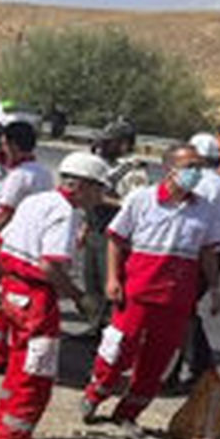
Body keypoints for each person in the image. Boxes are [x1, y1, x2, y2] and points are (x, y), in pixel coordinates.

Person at [81, 144, 220, 438]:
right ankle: (96, 395)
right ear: (170, 169)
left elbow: (208, 253)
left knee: (157, 362)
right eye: (191, 167)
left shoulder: (205, 209)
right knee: (118, 349)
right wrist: (112, 279)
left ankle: (128, 414)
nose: (197, 173)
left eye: (200, 167)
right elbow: (116, 240)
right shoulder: (141, 200)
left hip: (176, 299)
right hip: (137, 292)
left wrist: (215, 288)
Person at [0, 152, 107, 439]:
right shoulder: (65, 213)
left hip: (13, 291)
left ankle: (6, 432)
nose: (100, 196)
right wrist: (79, 297)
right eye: (97, 188)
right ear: (80, 186)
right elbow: (49, 265)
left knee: (17, 368)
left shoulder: (36, 201)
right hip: (35, 302)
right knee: (34, 376)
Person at [0, 121, 54, 373]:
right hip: (22, 242)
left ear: (14, 145)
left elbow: (3, 214)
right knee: (9, 296)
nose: (2, 148)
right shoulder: (43, 172)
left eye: (5, 143)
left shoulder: (20, 176)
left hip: (3, 240)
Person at [180, 132, 220, 383]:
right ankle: (198, 365)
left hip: (200, 255)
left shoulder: (202, 184)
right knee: (185, 311)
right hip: (216, 254)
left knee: (182, 312)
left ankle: (199, 365)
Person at [82, 120, 149, 332]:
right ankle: (95, 326)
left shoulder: (133, 171)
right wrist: (85, 225)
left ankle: (113, 331)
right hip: (95, 228)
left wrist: (103, 200)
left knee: (108, 283)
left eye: (108, 142)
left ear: (123, 144)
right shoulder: (105, 166)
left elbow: (135, 205)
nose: (102, 146)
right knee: (91, 282)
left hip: (113, 234)